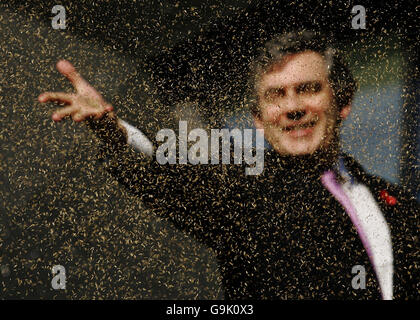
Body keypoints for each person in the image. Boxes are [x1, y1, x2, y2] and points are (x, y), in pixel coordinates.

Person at [38, 31, 418, 300]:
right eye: (276, 95)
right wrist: (113, 132)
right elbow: (165, 173)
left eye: (307, 89)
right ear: (258, 118)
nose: (292, 107)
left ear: (343, 102)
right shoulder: (240, 188)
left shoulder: (399, 204)